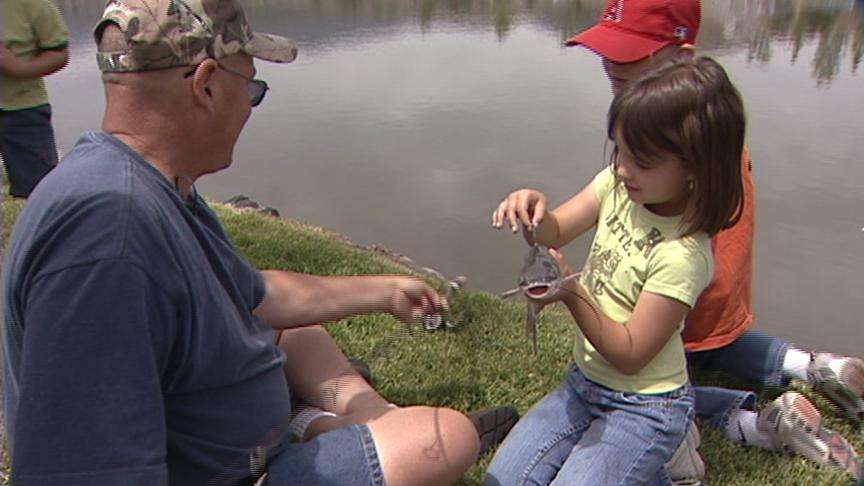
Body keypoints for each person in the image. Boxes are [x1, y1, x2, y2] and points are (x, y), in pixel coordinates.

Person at [0, 1, 515, 485]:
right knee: (445, 439)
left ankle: (355, 418)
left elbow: (254, 295)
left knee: (295, 330)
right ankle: (337, 426)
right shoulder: (108, 236)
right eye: (251, 90)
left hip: (230, 423)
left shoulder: (150, 182)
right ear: (205, 85)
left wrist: (383, 290)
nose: (250, 110)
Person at [560, 0, 863, 480]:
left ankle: (753, 423)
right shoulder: (697, 129)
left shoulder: (694, 156)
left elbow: (699, 298)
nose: (610, 64)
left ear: (682, 58)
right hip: (704, 311)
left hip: (681, 310)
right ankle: (809, 365)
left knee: (650, 389)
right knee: (702, 351)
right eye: (607, 50)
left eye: (630, 54)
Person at [485, 55, 747, 485]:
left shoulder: (684, 255)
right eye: (619, 149)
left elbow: (629, 354)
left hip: (646, 408)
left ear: (695, 170)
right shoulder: (617, 186)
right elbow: (555, 230)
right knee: (505, 478)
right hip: (583, 385)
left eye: (641, 160)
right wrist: (534, 213)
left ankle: (672, 466)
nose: (622, 168)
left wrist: (571, 291)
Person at [0, 0, 69, 198]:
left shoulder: (34, 3)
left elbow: (59, 54)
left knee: (41, 193)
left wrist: (17, 68)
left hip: (24, 112)